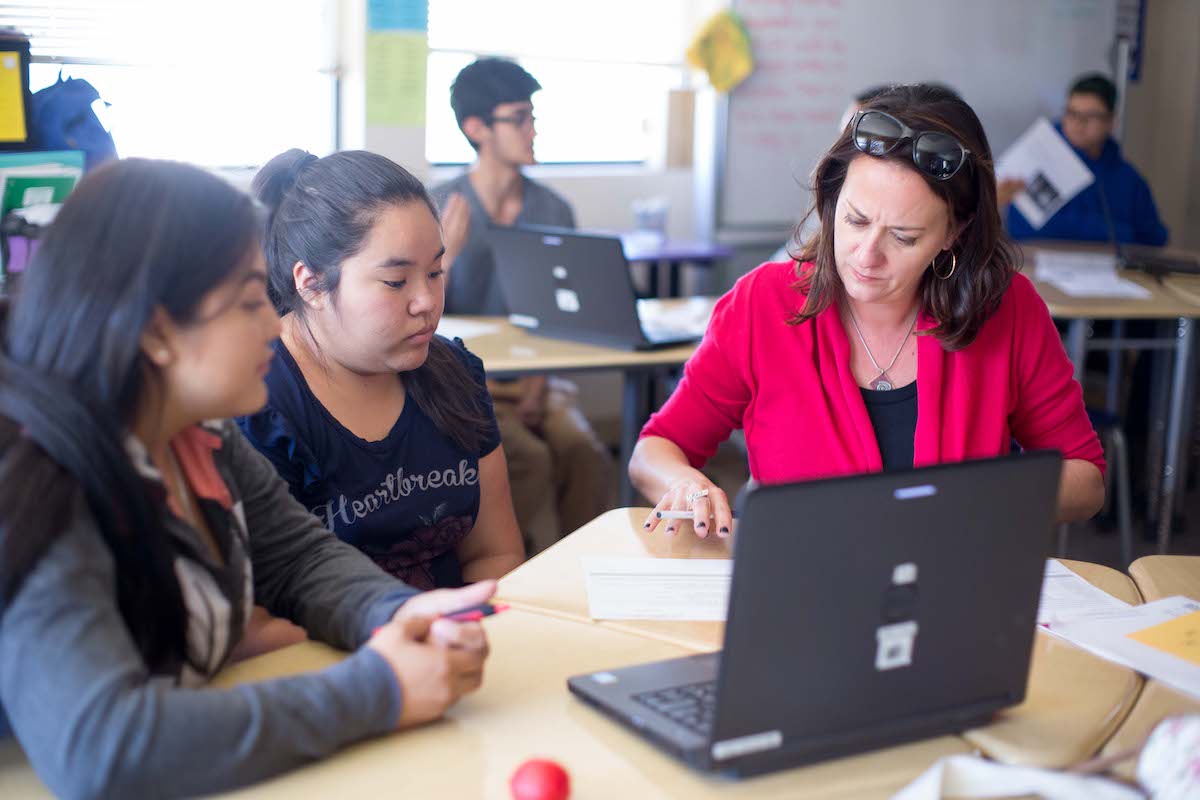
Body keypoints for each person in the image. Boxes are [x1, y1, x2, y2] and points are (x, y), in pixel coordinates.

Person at [0, 159, 492, 798]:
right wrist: (381, 688)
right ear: (156, 331)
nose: (271, 322)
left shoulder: (196, 433)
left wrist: (400, 614)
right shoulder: (41, 476)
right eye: (245, 303)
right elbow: (104, 746)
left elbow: (298, 559)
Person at [631, 84, 1106, 537]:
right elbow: (655, 449)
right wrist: (684, 483)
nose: (865, 255)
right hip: (802, 589)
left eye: (904, 237)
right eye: (855, 220)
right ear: (831, 200)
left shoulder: (1010, 309)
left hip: (954, 589)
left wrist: (981, 496)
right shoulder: (762, 304)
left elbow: (1086, 481)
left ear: (954, 232)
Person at [239, 149, 525, 591]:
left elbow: (495, 553)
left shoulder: (454, 374)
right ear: (311, 283)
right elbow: (267, 601)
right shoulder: (259, 402)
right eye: (396, 282)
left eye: (435, 272)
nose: (427, 301)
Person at [430, 57, 611, 549]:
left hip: (539, 379)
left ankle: (583, 572)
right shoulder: (439, 206)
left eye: (532, 115)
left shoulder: (552, 208)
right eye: (519, 117)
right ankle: (513, 567)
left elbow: (563, 313)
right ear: (477, 128)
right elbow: (415, 315)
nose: (532, 128)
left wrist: (536, 387)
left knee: (584, 453)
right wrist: (444, 258)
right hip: (469, 384)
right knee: (528, 458)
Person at [1003, 73, 1168, 245]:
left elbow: (1154, 239)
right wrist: (1117, 232)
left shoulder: (1130, 179)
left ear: (1112, 122)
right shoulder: (1037, 160)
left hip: (1111, 269)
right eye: (1072, 113)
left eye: (1090, 116)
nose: (1078, 123)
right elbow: (1021, 227)